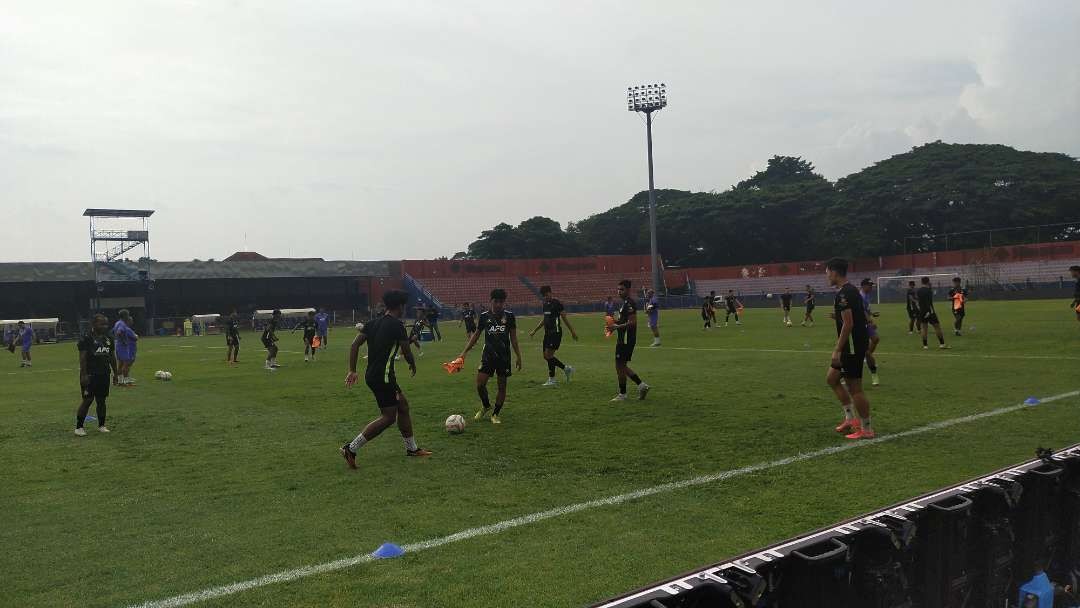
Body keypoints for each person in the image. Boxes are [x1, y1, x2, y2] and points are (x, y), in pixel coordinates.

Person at [341, 290, 432, 468]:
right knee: (389, 417)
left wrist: (352, 370)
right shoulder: (397, 325)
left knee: (403, 406)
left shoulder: (373, 323)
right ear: (400, 306)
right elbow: (406, 350)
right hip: (383, 377)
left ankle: (412, 449)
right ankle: (350, 448)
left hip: (374, 375)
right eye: (404, 306)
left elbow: (354, 345)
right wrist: (412, 364)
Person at [824, 259, 874, 440]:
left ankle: (866, 429)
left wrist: (837, 349)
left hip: (851, 346)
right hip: (852, 344)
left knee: (855, 388)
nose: (826, 276)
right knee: (832, 378)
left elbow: (848, 323)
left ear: (834, 272)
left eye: (827, 272)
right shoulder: (850, 291)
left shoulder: (844, 294)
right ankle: (851, 419)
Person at [458, 288, 522, 424]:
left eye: (501, 302)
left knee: (502, 386)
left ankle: (495, 414)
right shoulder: (484, 316)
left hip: (504, 357)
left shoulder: (509, 316)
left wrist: (518, 356)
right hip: (488, 356)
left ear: (504, 302)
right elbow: (475, 336)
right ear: (490, 301)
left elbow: (514, 339)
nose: (498, 304)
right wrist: (464, 352)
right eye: (495, 301)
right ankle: (486, 406)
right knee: (480, 384)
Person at [74, 313, 118, 436]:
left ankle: (102, 425)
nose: (105, 326)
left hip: (104, 374)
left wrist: (115, 373)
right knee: (87, 400)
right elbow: (82, 358)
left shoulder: (109, 337)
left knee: (102, 400)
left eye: (106, 323)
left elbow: (112, 356)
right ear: (93, 324)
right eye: (101, 323)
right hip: (90, 374)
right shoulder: (86, 338)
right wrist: (83, 375)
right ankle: (79, 427)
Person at [528, 285, 577, 386]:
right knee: (546, 356)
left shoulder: (557, 303)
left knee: (548, 355)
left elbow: (564, 318)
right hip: (547, 333)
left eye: (547, 295)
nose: (546, 297)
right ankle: (566, 369)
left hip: (556, 333)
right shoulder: (545, 304)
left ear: (551, 292)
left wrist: (572, 331)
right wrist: (535, 330)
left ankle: (552, 379)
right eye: (544, 296)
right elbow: (544, 319)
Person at [610, 279, 650, 402]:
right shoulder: (624, 303)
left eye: (621, 289)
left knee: (619, 366)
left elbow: (632, 322)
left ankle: (623, 394)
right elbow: (624, 321)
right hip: (624, 338)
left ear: (628, 290)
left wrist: (617, 326)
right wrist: (613, 323)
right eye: (618, 289)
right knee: (621, 365)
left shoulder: (629, 303)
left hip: (626, 340)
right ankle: (642, 385)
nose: (619, 292)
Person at [859, 279, 881, 386]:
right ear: (863, 286)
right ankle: (874, 374)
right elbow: (861, 311)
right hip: (860, 325)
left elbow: (865, 310)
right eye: (870, 285)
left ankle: (865, 357)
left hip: (866, 324)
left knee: (876, 339)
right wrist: (870, 321)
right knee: (866, 352)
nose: (871, 288)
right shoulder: (860, 296)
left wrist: (872, 314)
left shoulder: (866, 295)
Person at [916, 276, 948, 349]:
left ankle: (925, 345)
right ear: (928, 282)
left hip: (922, 311)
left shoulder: (918, 291)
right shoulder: (928, 291)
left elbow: (919, 301)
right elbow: (929, 302)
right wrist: (929, 311)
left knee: (924, 328)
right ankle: (942, 344)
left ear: (921, 282)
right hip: (930, 311)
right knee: (937, 327)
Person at [112, 310, 139, 385]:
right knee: (126, 364)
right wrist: (124, 341)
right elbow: (119, 332)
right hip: (122, 346)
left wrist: (117, 339)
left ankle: (120, 381)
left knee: (120, 364)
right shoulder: (122, 324)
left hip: (118, 345)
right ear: (125, 316)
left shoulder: (117, 323)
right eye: (127, 315)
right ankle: (127, 381)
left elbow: (114, 332)